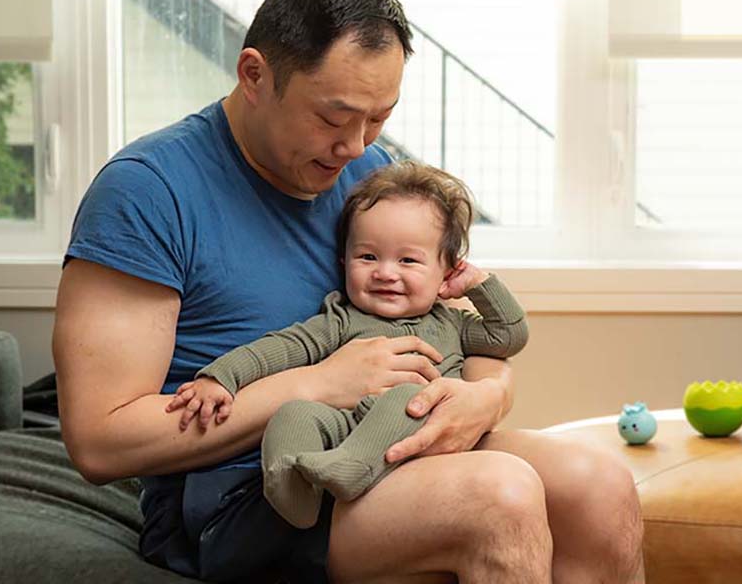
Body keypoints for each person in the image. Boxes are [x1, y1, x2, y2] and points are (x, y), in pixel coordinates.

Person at [53, 0, 643, 584]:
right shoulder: (147, 192)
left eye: (379, 117)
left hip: (379, 438)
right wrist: (317, 383)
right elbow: (100, 439)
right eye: (333, 118)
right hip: (244, 492)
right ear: (254, 75)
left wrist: (486, 396)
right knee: (500, 495)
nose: (357, 145)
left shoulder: (364, 175)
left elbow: (446, 321)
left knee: (600, 487)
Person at [165, 161, 529, 531]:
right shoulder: (340, 319)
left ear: (447, 273)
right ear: (344, 262)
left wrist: (478, 284)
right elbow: (281, 348)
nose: (385, 272)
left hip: (418, 442)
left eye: (407, 260)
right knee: (293, 414)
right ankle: (291, 490)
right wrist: (221, 376)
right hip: (346, 428)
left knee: (411, 396)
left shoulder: (451, 324)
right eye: (368, 257)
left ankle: (352, 468)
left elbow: (508, 335)